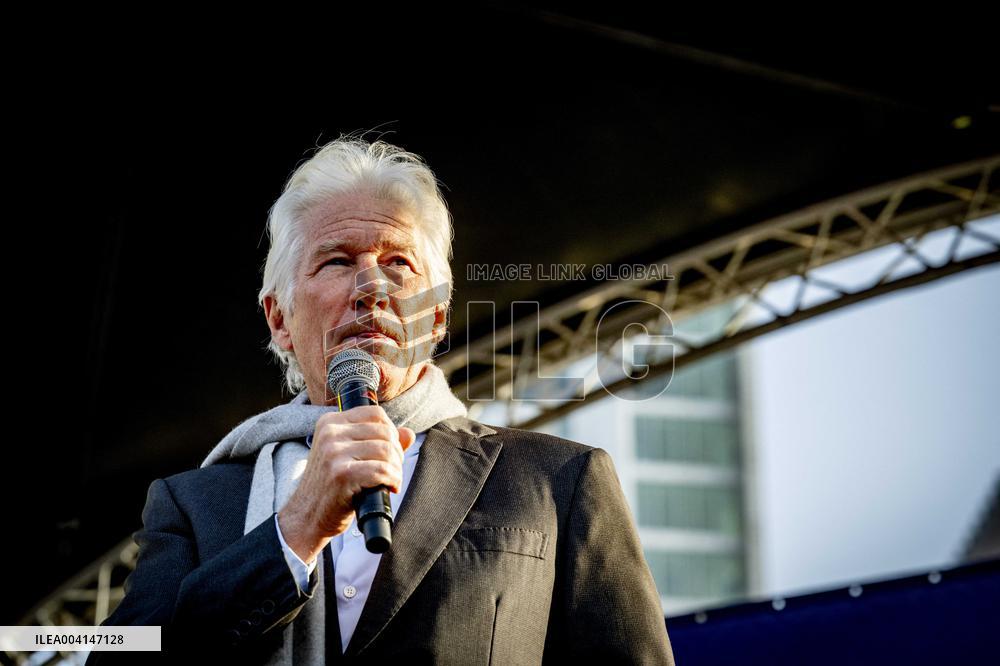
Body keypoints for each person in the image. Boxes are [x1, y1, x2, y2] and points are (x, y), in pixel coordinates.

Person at [89, 137, 675, 664]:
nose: (372, 287)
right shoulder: (193, 502)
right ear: (280, 320)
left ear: (438, 314)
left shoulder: (559, 481)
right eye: (338, 260)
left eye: (397, 262)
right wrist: (291, 533)